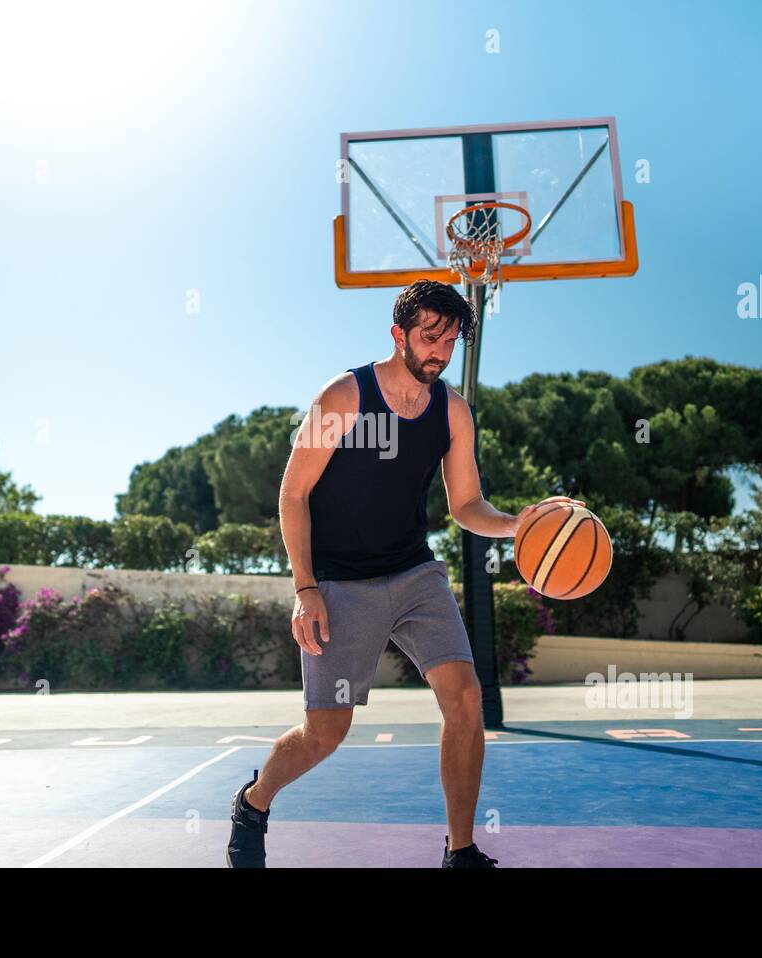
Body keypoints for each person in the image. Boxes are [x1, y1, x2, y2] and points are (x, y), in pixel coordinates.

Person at [227, 279, 581, 868]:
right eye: (428, 336)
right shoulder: (344, 396)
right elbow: (293, 495)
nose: (439, 351)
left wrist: (523, 525)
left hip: (414, 574)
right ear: (399, 335)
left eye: (450, 341)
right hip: (339, 582)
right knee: (325, 733)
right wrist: (305, 588)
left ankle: (460, 852)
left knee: (465, 701)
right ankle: (254, 802)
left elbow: (468, 506)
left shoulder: (453, 413)